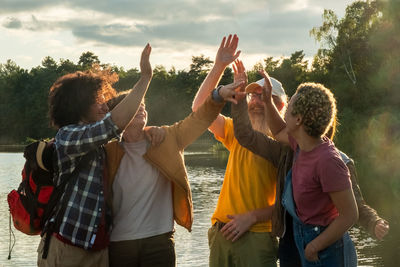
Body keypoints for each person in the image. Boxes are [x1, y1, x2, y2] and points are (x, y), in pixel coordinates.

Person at [230, 61, 389, 266]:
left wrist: (315, 245)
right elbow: (278, 132)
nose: (285, 110)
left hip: (326, 247)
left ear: (298, 120)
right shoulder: (299, 145)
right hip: (299, 238)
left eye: (290, 107)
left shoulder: (330, 160)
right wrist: (268, 101)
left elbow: (350, 213)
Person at [37, 44, 153, 267]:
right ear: (79, 104)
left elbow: (126, 134)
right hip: (67, 246)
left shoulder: (98, 143)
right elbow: (112, 126)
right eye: (98, 99)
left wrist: (151, 131)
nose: (104, 105)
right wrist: (145, 79)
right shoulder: (68, 137)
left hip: (97, 246)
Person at [104, 80, 242, 266]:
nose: (141, 108)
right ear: (120, 115)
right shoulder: (106, 152)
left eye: (143, 105)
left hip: (159, 241)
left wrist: (217, 95)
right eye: (135, 105)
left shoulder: (166, 139)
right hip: (119, 244)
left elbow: (199, 120)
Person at [192, 34, 281, 267]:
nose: (255, 101)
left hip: (258, 236)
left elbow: (293, 203)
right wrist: (219, 66)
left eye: (264, 97)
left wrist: (252, 217)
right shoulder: (236, 132)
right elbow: (199, 110)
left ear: (280, 104)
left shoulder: (287, 145)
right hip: (221, 233)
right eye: (252, 95)